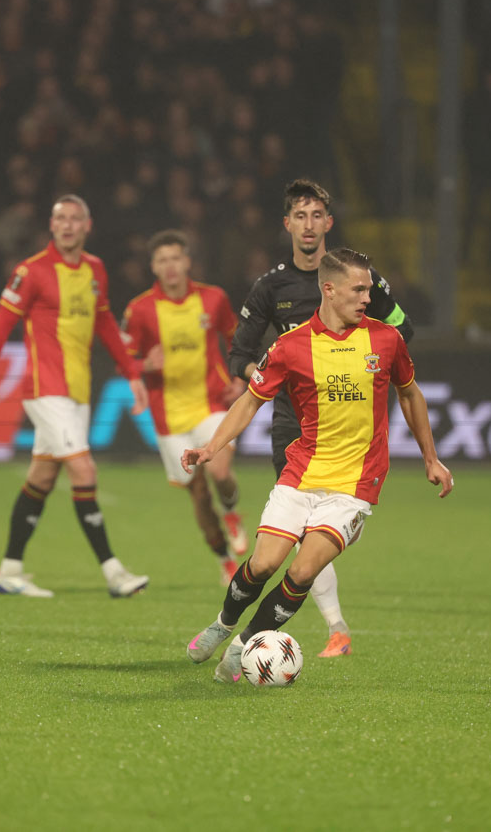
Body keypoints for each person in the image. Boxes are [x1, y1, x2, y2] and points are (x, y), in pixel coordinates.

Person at [183, 248, 453, 683]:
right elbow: (252, 399)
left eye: (368, 288)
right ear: (329, 289)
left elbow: (409, 393)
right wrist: (212, 447)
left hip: (356, 485)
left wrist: (431, 458)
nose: (368, 297)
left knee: (304, 570)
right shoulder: (289, 347)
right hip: (302, 475)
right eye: (358, 289)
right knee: (263, 563)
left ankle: (241, 647)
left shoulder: (386, 340)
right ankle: (223, 624)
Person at [226, 178, 415, 658]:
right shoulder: (272, 286)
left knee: (312, 540)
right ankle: (333, 626)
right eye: (300, 216)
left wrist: (370, 349)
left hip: (349, 417)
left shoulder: (359, 279)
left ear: (328, 223)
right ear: (287, 224)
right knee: (298, 539)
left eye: (317, 216)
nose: (309, 225)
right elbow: (241, 357)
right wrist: (277, 377)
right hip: (295, 425)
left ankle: (324, 628)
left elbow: (403, 329)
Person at [0, 194, 152, 598]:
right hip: (44, 389)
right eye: (61, 219)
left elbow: (103, 322)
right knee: (85, 472)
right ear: (52, 227)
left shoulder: (96, 270)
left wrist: (132, 372)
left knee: (43, 476)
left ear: (88, 226)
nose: (68, 225)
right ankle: (114, 573)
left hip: (78, 392)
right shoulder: (30, 272)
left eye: (75, 219)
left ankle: (9, 571)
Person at [121, 229, 249, 584]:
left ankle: (233, 512)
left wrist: (238, 378)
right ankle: (224, 558)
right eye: (163, 260)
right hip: (169, 419)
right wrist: (144, 365)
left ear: (187, 261)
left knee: (220, 473)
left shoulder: (213, 299)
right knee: (198, 493)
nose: (171, 266)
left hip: (211, 403)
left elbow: (236, 339)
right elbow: (124, 359)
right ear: (154, 267)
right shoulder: (141, 309)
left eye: (176, 258)